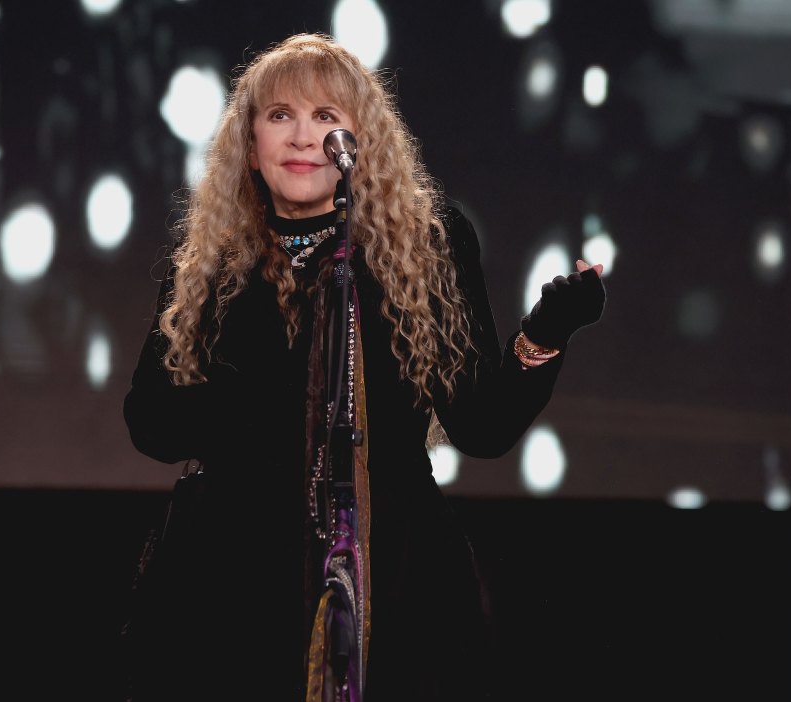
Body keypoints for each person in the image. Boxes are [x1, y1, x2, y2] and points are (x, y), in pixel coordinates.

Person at [121, 32, 605, 702]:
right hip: (232, 583)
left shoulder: (427, 246)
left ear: (360, 142)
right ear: (250, 144)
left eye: (327, 117)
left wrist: (546, 333)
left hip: (394, 577)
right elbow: (151, 423)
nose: (300, 137)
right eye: (280, 115)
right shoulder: (213, 262)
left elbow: (482, 426)